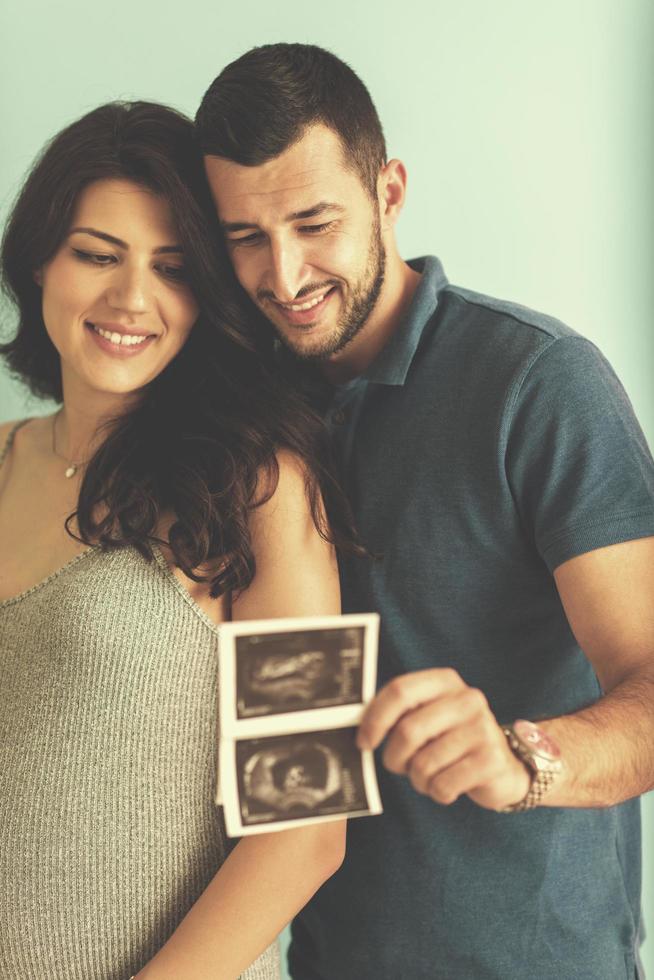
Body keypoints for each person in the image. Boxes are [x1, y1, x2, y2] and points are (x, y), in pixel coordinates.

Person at [195, 43, 654, 980]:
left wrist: (523, 758)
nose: (283, 275)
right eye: (245, 237)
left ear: (389, 191)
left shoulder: (538, 383)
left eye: (315, 224)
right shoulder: (243, 421)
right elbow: (297, 781)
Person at [0, 100, 358, 980]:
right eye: (96, 254)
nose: (131, 299)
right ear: (39, 260)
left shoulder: (268, 487)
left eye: (173, 268)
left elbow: (308, 826)